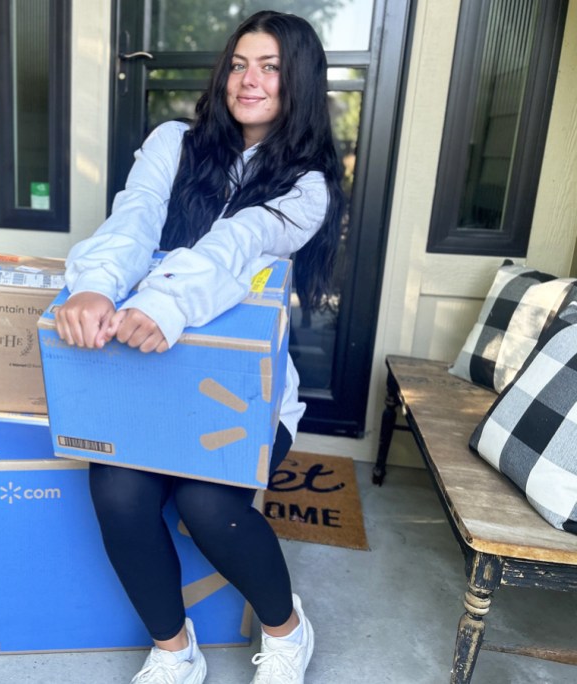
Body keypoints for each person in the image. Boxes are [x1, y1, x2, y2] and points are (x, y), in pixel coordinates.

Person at [54, 10, 344, 684]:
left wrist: (164, 303)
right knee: (118, 491)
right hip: (148, 369)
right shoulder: (173, 142)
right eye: (240, 63)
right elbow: (133, 219)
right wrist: (94, 287)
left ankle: (286, 630)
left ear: (297, 81)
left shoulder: (308, 188)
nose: (250, 80)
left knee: (207, 502)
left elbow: (236, 245)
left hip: (244, 389)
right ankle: (173, 648)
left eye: (270, 67)